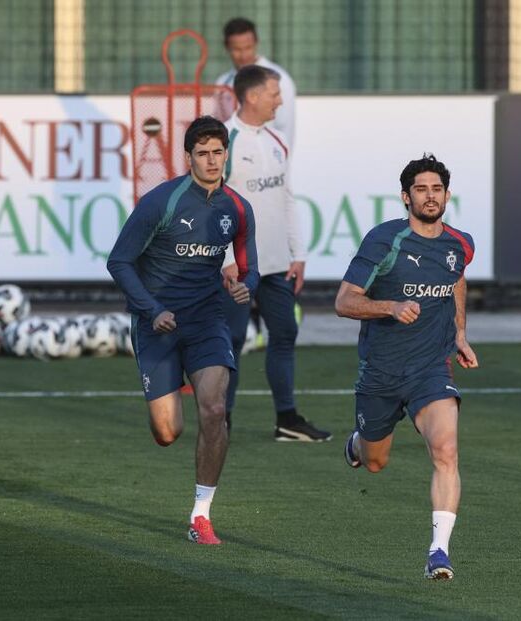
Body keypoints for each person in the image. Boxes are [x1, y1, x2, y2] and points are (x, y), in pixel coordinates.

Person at [107, 116, 259, 545]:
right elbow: (118, 262)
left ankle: (201, 514)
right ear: (188, 157)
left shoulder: (237, 208)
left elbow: (251, 269)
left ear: (226, 154)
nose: (212, 161)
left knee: (214, 410)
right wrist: (151, 309)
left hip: (208, 318)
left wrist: (244, 286)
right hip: (157, 323)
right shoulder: (162, 202)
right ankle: (162, 399)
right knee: (167, 432)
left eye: (218, 152)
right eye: (203, 154)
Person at [335, 154, 478, 580]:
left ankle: (439, 551)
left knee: (446, 451)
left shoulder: (459, 243)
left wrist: (459, 333)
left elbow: (456, 279)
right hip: (380, 371)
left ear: (447, 195)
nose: (430, 196)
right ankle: (358, 442)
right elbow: (343, 302)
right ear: (405, 196)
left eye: (437, 189)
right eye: (421, 189)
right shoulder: (384, 241)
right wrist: (390, 307)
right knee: (375, 461)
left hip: (431, 369)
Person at [221, 64, 330, 442]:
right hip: (236, 268)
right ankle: (221, 420)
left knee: (284, 333)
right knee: (231, 340)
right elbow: (211, 207)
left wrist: (297, 254)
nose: (280, 100)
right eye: (274, 93)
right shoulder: (226, 142)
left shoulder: (277, 140)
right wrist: (224, 262)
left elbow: (286, 198)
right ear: (252, 96)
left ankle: (287, 420)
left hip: (276, 265)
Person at [215, 17, 297, 148]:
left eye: (248, 48)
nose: (243, 55)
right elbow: (219, 127)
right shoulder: (222, 83)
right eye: (236, 49)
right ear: (227, 47)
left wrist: (280, 164)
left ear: (256, 43)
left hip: (267, 160)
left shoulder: (279, 79)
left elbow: (285, 128)